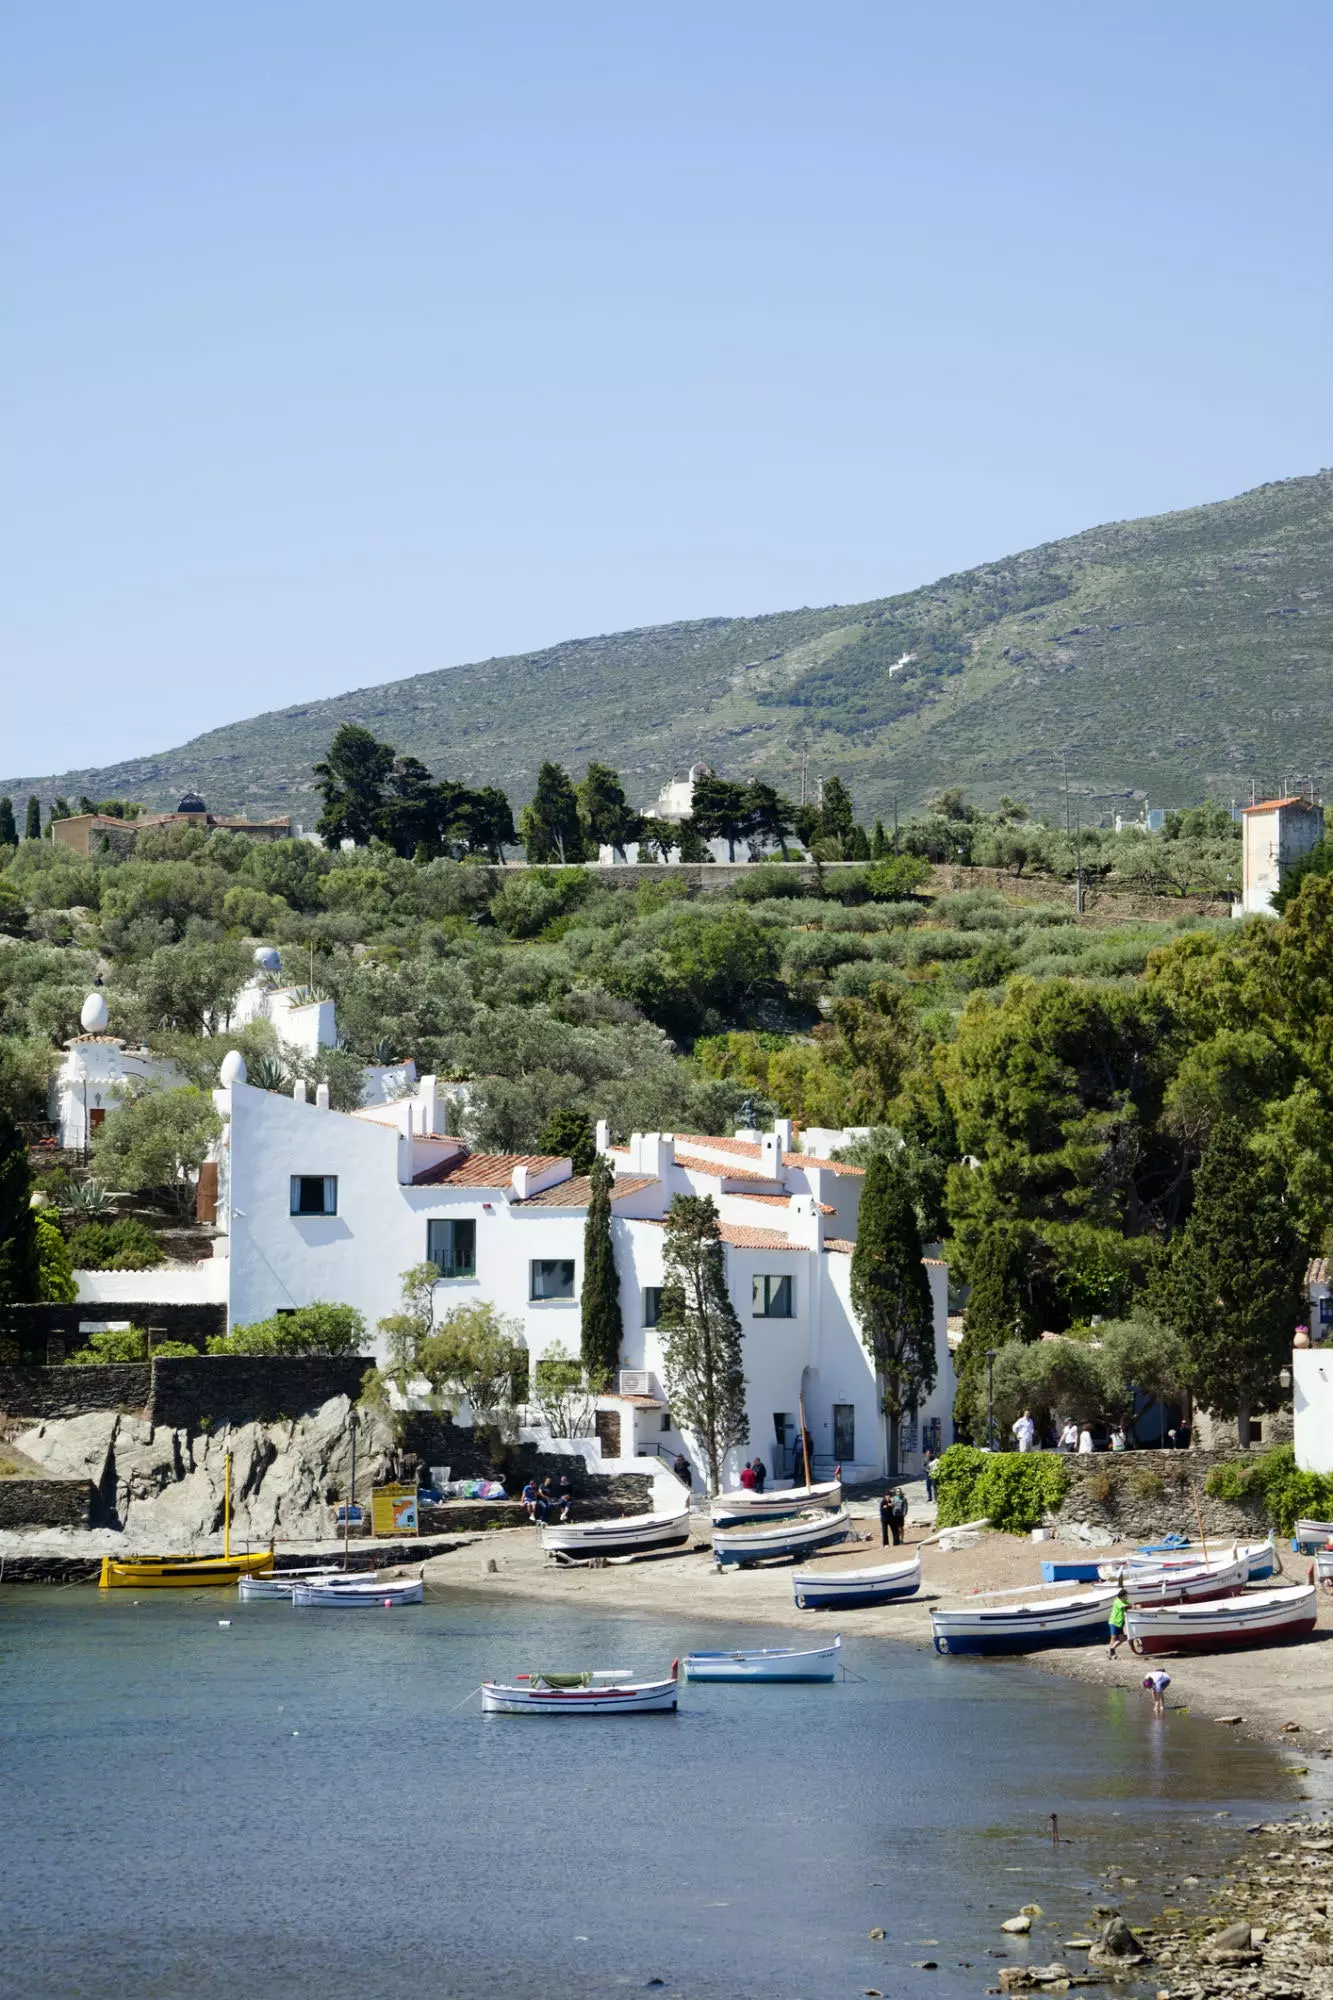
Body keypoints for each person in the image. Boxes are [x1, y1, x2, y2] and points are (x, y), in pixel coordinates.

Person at [1107, 1579, 1131, 1659]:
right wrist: (1132, 1606)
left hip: (1120, 1623)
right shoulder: (1118, 1601)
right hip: (1114, 1622)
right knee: (1114, 1638)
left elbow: (1130, 1605)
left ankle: (1111, 1649)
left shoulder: (1125, 1601)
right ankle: (1110, 1652)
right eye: (1126, 1595)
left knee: (1122, 1638)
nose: (1127, 1597)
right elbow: (1125, 1606)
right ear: (1122, 1596)